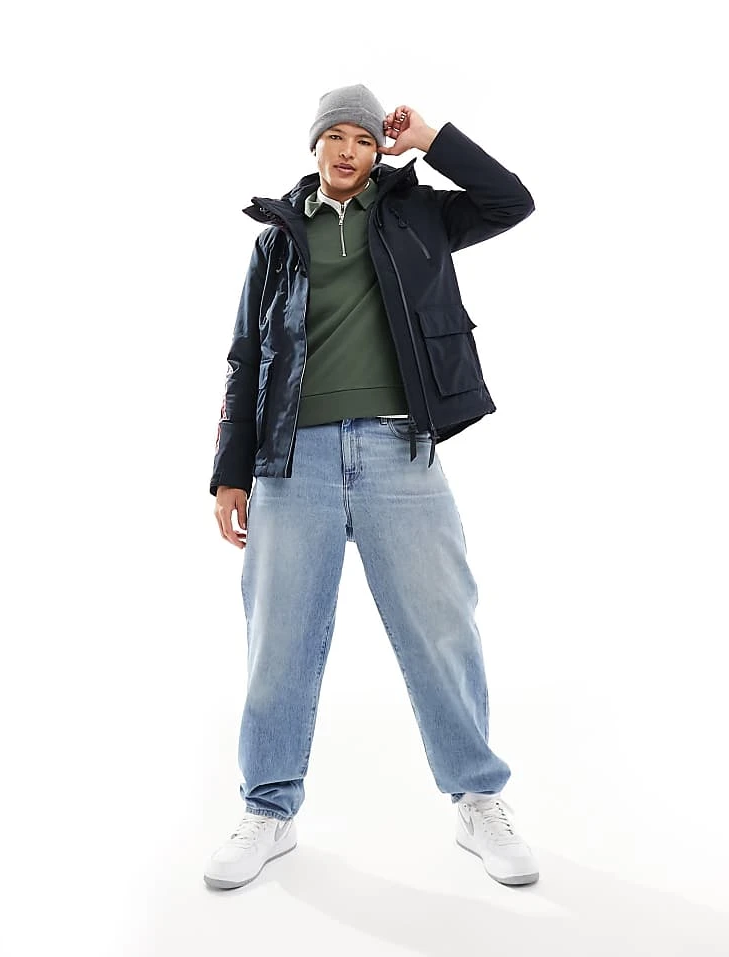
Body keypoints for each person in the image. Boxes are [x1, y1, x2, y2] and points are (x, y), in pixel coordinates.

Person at [204, 84, 538, 891]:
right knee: (278, 638)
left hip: (399, 451)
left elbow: (511, 200)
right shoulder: (278, 239)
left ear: (377, 149)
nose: (349, 150)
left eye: (363, 138)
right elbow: (246, 355)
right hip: (293, 459)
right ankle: (269, 808)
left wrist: (430, 137)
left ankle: (477, 798)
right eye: (336, 137)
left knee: (441, 626)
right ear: (315, 146)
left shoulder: (419, 215)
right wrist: (230, 471)